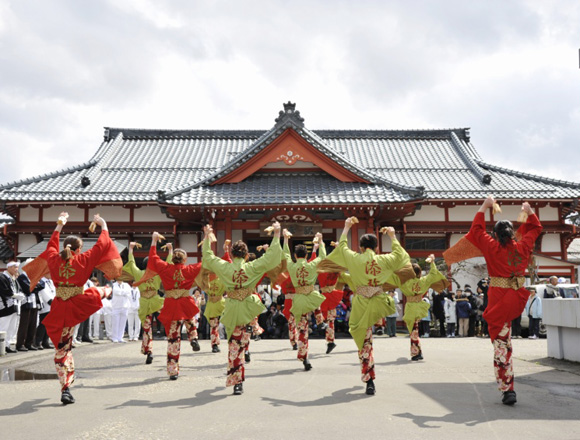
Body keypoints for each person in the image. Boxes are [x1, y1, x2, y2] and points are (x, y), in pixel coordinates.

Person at [443, 196, 542, 406]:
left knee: (500, 343)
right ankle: (507, 385)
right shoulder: (523, 246)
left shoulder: (492, 246)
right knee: (505, 341)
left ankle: (508, 388)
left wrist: (485, 206)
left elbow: (476, 231)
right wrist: (529, 210)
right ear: (512, 234)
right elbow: (535, 228)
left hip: (498, 297)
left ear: (495, 235)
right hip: (516, 296)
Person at [23, 212, 121, 404]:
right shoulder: (83, 259)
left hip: (60, 307)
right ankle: (105, 290)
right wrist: (104, 225)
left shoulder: (53, 258)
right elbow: (102, 246)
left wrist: (60, 224)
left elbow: (51, 244)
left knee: (62, 348)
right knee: (97, 293)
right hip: (77, 303)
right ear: (79, 248)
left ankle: (65, 386)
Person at [323, 219, 410, 395]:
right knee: (368, 339)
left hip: (362, 303)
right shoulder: (384, 259)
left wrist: (346, 226)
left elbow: (342, 248)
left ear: (362, 248)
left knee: (362, 339)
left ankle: (369, 377)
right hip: (379, 302)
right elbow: (400, 255)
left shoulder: (355, 258)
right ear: (376, 248)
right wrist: (393, 236)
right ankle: (377, 332)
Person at [202, 221, 282, 395]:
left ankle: (236, 379)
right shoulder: (252, 267)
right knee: (242, 341)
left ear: (232, 254)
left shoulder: (225, 267)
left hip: (231, 307)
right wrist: (277, 234)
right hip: (247, 308)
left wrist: (207, 237)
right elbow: (271, 258)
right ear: (246, 255)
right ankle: (240, 375)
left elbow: (208, 257)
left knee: (233, 344)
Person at [136, 232, 203, 380]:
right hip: (185, 302)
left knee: (173, 338)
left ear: (172, 259)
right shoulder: (189, 269)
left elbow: (153, 258)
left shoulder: (166, 269)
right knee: (191, 320)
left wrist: (153, 241)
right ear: (185, 259)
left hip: (171, 304)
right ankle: (193, 337)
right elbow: (207, 263)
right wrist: (206, 244)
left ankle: (173, 371)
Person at [283, 231, 326, 371]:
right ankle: (320, 321)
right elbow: (323, 257)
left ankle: (304, 357)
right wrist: (321, 241)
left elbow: (285, 255)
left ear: (296, 256)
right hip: (311, 296)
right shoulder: (311, 265)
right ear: (306, 255)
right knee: (317, 298)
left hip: (299, 298)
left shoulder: (292, 266)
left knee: (302, 330)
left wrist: (285, 239)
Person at [391, 255, 447, 361]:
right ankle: (418, 351)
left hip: (411, 307)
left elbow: (395, 276)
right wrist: (432, 263)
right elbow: (433, 273)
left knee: (413, 330)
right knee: (414, 330)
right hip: (419, 306)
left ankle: (417, 352)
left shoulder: (405, 282)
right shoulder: (423, 281)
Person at [123, 241, 166, 363]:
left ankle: (149, 351)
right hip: (157, 301)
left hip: (144, 303)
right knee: (170, 319)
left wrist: (131, 249)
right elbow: (167, 264)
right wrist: (170, 251)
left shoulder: (138, 274)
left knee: (147, 329)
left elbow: (131, 263)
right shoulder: (157, 274)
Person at [203, 242, 230, 353]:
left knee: (214, 326)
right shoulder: (221, 277)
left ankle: (215, 345)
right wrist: (226, 251)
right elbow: (228, 265)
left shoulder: (205, 278)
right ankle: (234, 341)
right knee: (230, 322)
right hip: (221, 302)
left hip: (212, 303)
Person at [16, 260, 45, 351]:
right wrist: (35, 286)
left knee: (33, 324)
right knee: (24, 324)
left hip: (34, 302)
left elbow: (42, 285)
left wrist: (35, 286)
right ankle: (20, 344)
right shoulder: (22, 277)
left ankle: (29, 343)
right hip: (26, 303)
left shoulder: (34, 276)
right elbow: (28, 289)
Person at [0, 261, 25, 353]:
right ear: (9, 267)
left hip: (14, 306)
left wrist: (20, 294)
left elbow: (19, 289)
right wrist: (14, 295)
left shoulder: (14, 278)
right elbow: (4, 290)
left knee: (12, 327)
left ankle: (7, 345)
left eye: (17, 267)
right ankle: (1, 346)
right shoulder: (2, 277)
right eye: (14, 267)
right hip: (5, 306)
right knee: (3, 327)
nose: (16, 269)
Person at [35, 276, 56, 349]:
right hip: (46, 305)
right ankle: (38, 341)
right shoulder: (42, 281)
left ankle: (45, 341)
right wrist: (50, 301)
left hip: (53, 305)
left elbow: (54, 291)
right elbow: (43, 292)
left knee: (49, 325)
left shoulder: (50, 281)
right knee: (43, 325)